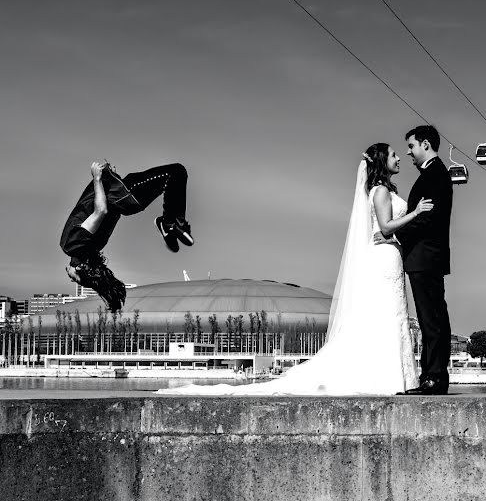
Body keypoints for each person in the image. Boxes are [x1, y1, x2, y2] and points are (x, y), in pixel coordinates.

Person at [158, 143, 430, 396]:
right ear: (383, 161)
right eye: (394, 154)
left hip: (391, 255)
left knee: (390, 314)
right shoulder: (381, 191)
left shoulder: (384, 191)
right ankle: (390, 378)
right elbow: (384, 227)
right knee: (386, 314)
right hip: (384, 257)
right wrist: (416, 213)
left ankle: (397, 377)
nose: (398, 158)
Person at [376, 124, 453, 395]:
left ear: (425, 144)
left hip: (425, 257)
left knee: (431, 320)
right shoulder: (434, 174)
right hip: (426, 257)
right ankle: (432, 377)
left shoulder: (435, 175)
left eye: (411, 146)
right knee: (432, 318)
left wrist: (396, 237)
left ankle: (434, 378)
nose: (408, 153)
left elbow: (427, 219)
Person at [61, 161, 194, 312]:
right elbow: (101, 211)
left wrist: (109, 181)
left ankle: (171, 224)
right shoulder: (73, 244)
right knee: (176, 172)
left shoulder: (92, 247)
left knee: (174, 175)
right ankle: (168, 224)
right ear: (81, 267)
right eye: (75, 278)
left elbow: (107, 215)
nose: (71, 279)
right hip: (126, 195)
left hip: (125, 197)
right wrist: (97, 178)